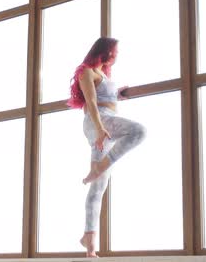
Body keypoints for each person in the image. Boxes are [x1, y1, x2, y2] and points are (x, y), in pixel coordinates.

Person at [67, 37, 146, 258]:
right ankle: (100, 165)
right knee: (140, 131)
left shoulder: (103, 75)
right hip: (99, 121)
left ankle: (89, 242)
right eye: (115, 51)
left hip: (105, 122)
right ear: (106, 51)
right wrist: (101, 128)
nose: (117, 55)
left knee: (98, 188)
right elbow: (92, 102)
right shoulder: (87, 72)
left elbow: (104, 97)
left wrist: (117, 94)